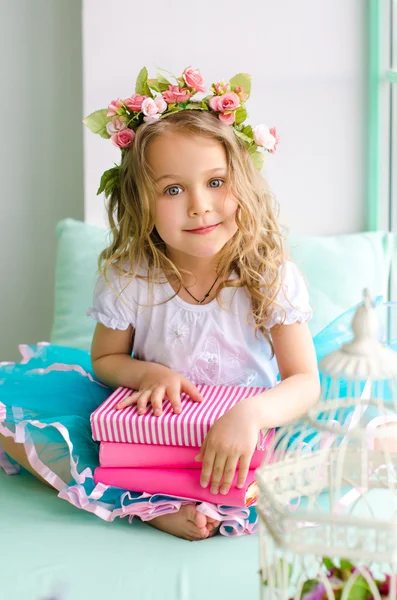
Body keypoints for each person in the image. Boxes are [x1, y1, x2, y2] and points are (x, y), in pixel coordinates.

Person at [0, 66, 320, 541]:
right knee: (23, 429)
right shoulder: (131, 277)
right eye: (173, 189)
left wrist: (249, 415)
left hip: (243, 431)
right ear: (141, 203)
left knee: (344, 447)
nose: (199, 205)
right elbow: (105, 358)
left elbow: (304, 381)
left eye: (216, 181)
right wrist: (149, 374)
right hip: (153, 432)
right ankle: (154, 501)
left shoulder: (267, 275)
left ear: (243, 186)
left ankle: (201, 502)